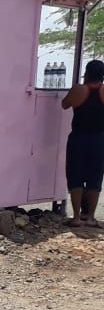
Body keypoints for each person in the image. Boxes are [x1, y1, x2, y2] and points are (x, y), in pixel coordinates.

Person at [61, 59, 104, 228]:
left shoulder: (78, 89)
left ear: (86, 73)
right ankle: (91, 217)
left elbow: (64, 104)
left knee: (75, 175)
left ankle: (77, 217)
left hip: (78, 137)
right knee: (95, 176)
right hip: (99, 139)